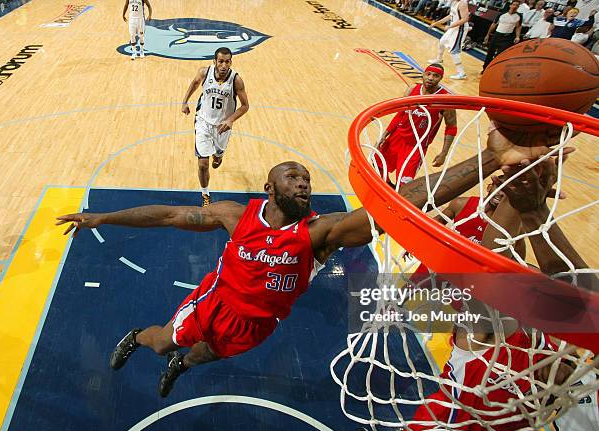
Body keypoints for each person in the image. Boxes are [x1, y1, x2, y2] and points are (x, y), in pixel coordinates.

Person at [56, 128, 563, 398]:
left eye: (306, 177)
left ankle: (181, 366)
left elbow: (402, 204)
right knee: (166, 337)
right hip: (217, 300)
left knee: (206, 356)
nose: (303, 181)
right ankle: (138, 338)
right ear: (270, 187)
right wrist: (102, 215)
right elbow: (167, 214)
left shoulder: (320, 233)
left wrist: (495, 160)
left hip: (262, 321)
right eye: (292, 175)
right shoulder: (236, 216)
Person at [346, 159, 587, 431]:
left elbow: (506, 262)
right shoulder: (496, 331)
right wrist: (524, 200)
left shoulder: (546, 352)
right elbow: (495, 260)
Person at [181, 47, 250, 206]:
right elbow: (194, 83)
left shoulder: (236, 80)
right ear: (214, 62)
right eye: (221, 61)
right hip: (203, 122)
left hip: (222, 127)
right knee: (203, 164)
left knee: (216, 159)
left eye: (227, 62)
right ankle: (205, 195)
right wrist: (184, 102)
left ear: (231, 62)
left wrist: (231, 119)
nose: (224, 65)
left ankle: (219, 155)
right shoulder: (204, 72)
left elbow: (245, 106)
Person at [375, 64, 457, 187]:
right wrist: (385, 134)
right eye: (428, 74)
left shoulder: (445, 99)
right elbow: (400, 114)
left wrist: (443, 154)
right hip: (398, 137)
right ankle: (387, 187)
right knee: (377, 164)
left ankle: (396, 195)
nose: (430, 78)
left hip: (416, 146)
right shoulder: (412, 89)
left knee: (404, 184)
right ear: (423, 75)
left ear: (441, 78)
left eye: (436, 76)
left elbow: (451, 128)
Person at [428, 0, 471, 80]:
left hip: (460, 29)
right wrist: (436, 23)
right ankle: (439, 59)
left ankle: (461, 73)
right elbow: (450, 16)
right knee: (442, 42)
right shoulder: (454, 2)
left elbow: (465, 19)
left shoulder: (463, 3)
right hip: (454, 27)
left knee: (454, 51)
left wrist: (450, 26)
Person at [482, 2, 523, 73]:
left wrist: (517, 36)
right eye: (514, 4)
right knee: (490, 53)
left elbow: (518, 27)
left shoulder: (519, 16)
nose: (515, 6)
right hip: (497, 35)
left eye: (517, 5)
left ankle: (493, 69)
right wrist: (488, 35)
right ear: (510, 5)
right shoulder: (502, 14)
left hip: (507, 37)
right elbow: (494, 24)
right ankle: (485, 68)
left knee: (500, 54)